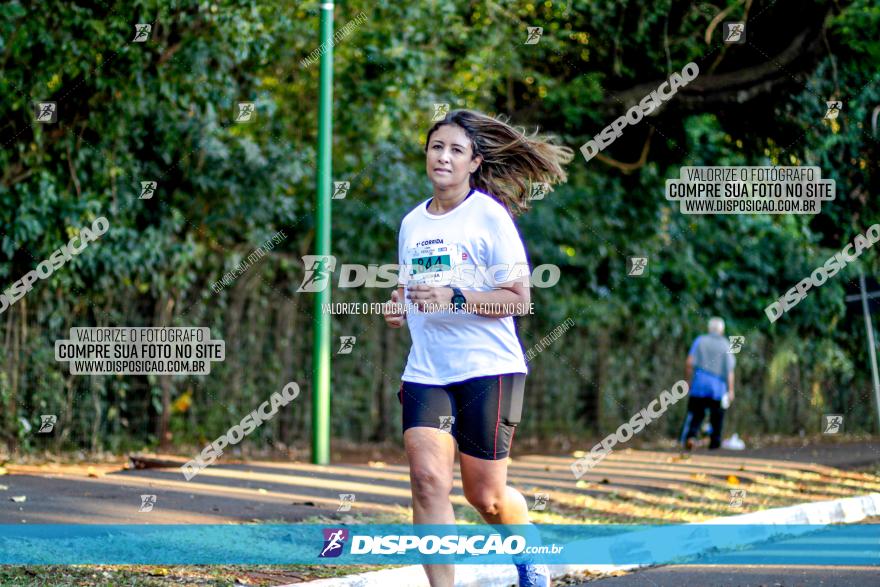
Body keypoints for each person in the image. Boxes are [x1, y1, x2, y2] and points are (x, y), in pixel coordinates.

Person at [383, 109, 573, 587]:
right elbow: (411, 286)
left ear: (473, 163)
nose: (443, 157)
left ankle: (527, 549)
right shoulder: (411, 223)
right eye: (436, 147)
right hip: (427, 370)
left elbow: (519, 298)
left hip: (488, 368)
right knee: (427, 481)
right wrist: (400, 302)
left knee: (485, 497)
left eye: (455, 150)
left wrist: (457, 296)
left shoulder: (489, 215)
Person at [679, 317, 736, 450]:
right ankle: (715, 442)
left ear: (709, 329)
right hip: (718, 389)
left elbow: (689, 363)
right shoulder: (726, 345)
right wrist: (731, 390)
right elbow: (729, 371)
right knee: (717, 416)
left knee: (696, 414)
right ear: (722, 330)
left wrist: (688, 381)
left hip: (699, 385)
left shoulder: (700, 341)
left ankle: (691, 437)